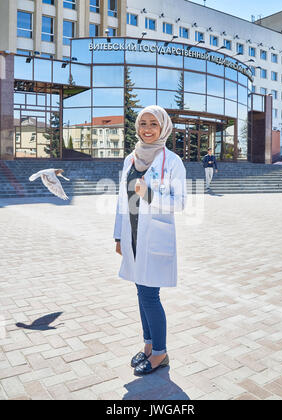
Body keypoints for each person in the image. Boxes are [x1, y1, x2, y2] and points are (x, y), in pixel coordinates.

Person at [113, 105, 187, 376]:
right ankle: (148, 346)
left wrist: (150, 194)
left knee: (149, 295)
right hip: (132, 236)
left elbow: (180, 203)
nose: (147, 128)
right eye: (142, 122)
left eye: (153, 123)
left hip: (154, 237)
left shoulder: (173, 162)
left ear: (163, 127)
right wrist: (118, 235)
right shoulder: (130, 159)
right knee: (141, 294)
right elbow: (122, 200)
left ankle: (160, 354)